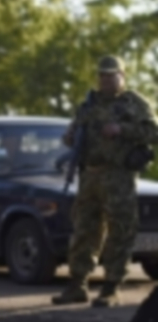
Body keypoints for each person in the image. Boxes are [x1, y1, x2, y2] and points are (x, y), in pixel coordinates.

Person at [52, 56, 158, 308]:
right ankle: (77, 284)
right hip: (89, 175)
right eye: (102, 75)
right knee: (84, 230)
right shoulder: (88, 105)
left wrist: (122, 130)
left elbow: (154, 133)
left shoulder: (134, 103)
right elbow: (74, 133)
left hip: (118, 176)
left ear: (123, 75)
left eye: (112, 75)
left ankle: (111, 287)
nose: (106, 79)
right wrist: (69, 137)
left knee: (120, 231)